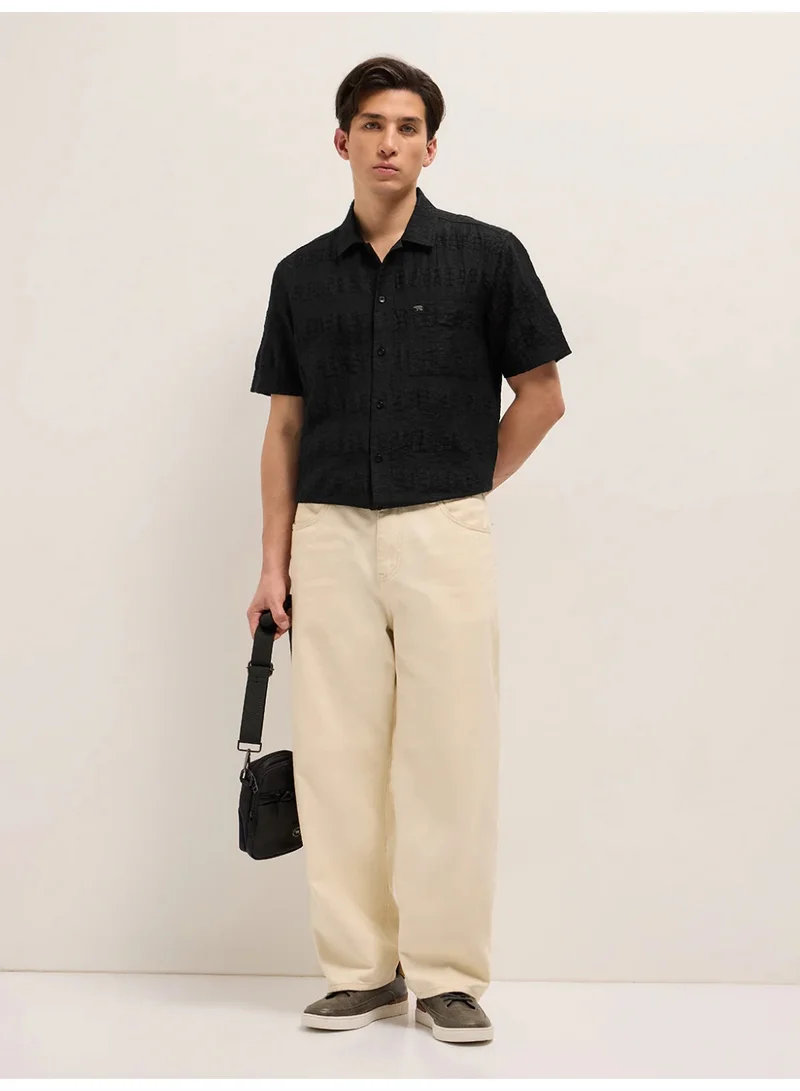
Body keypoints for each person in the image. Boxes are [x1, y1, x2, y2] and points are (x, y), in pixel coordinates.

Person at [246, 55, 571, 1046]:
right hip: (328, 535)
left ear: (431, 147)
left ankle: (448, 977)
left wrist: (464, 484)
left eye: (407, 126)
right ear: (341, 140)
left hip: (443, 532)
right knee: (336, 756)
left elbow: (543, 397)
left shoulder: (487, 257)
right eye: (371, 124)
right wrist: (272, 563)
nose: (389, 142)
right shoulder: (301, 275)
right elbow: (285, 427)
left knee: (449, 752)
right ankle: (362, 970)